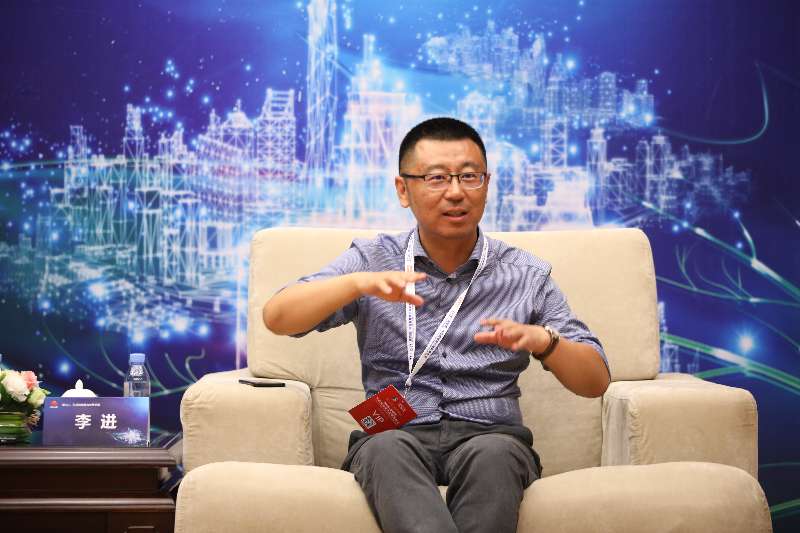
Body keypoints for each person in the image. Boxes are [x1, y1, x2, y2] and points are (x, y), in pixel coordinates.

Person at [263, 117, 611, 533]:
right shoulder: (373, 259)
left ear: (486, 184)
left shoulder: (526, 274)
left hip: (490, 433)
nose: (456, 192)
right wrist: (356, 284)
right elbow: (278, 317)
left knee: (495, 456)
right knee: (386, 449)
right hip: (394, 433)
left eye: (469, 176)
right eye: (436, 178)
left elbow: (595, 381)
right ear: (403, 189)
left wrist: (545, 341)